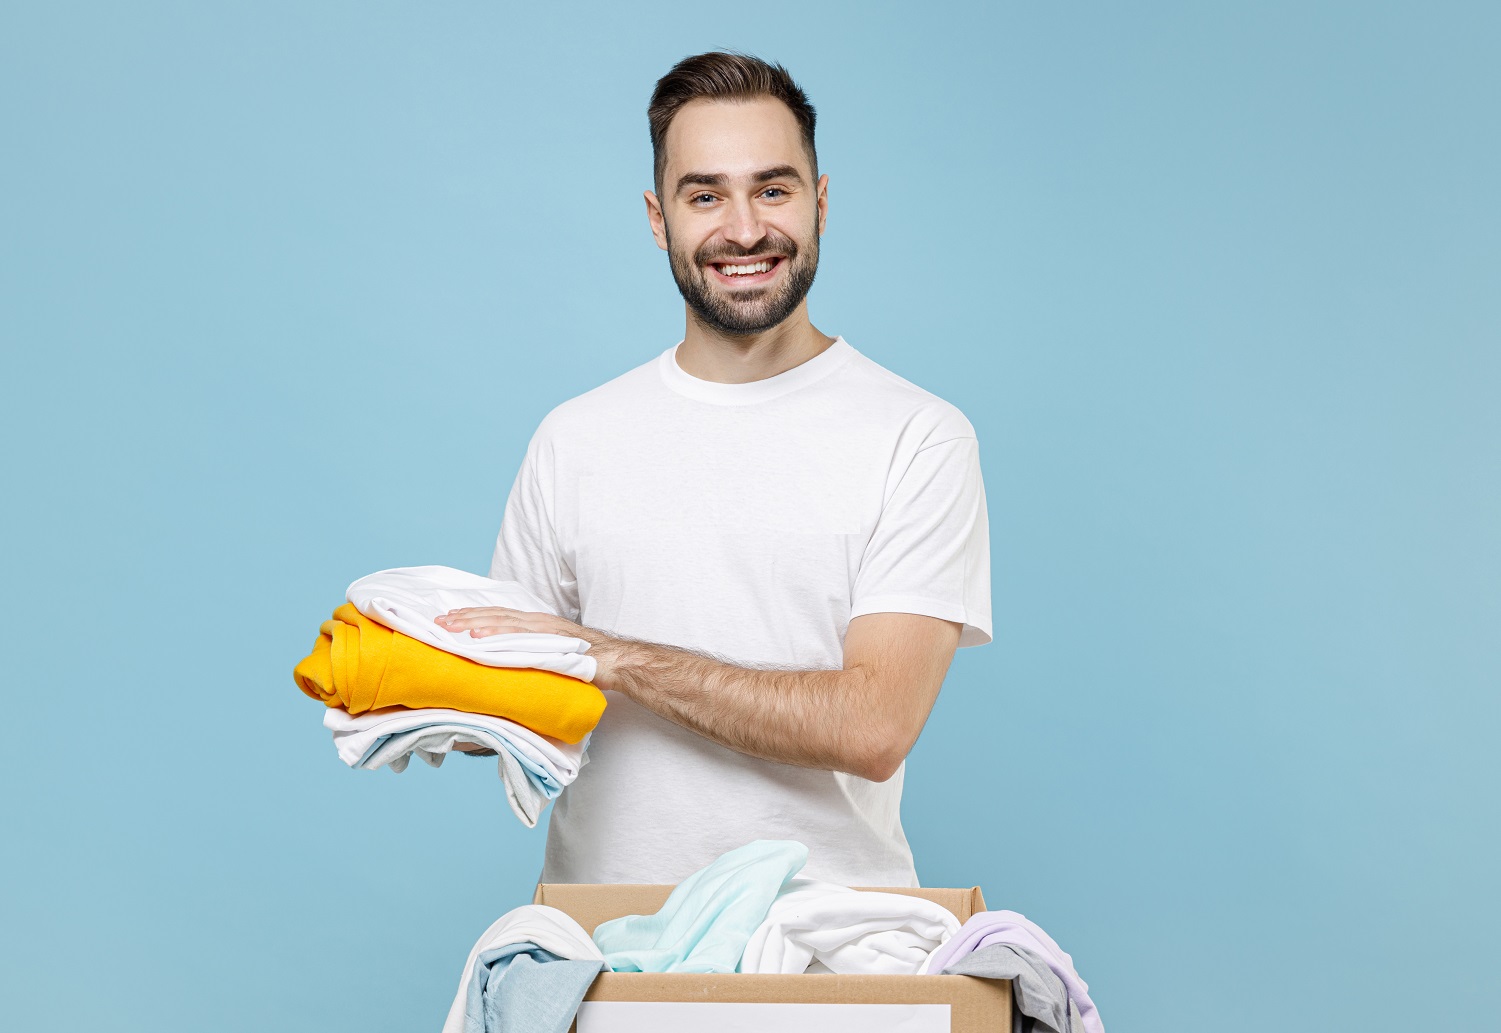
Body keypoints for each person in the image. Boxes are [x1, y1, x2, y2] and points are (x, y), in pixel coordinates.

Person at [435, 51, 990, 887]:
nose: (742, 230)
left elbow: (873, 727)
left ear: (821, 202)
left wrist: (613, 659)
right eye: (705, 195)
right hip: (607, 962)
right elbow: (519, 690)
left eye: (773, 189)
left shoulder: (917, 436)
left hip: (829, 965)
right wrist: (412, 680)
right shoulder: (574, 438)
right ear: (659, 220)